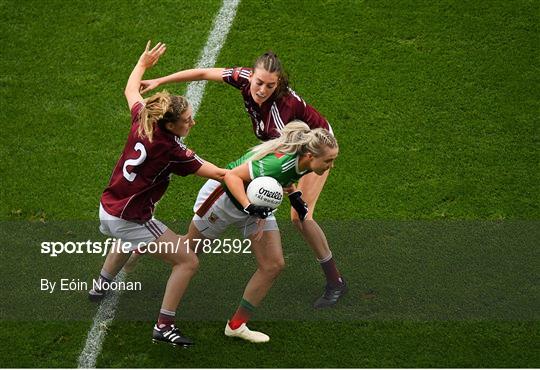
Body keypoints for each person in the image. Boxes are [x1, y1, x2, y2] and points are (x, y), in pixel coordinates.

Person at [140, 51, 347, 308]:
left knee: (301, 217)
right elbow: (204, 73)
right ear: (252, 75)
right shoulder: (244, 79)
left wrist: (286, 194)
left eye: (270, 86)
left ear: (279, 84)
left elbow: (286, 164)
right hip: (294, 148)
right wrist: (159, 81)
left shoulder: (282, 116)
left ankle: (335, 282)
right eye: (259, 82)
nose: (262, 90)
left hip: (317, 149)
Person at [88, 41, 227, 347]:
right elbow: (219, 174)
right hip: (129, 218)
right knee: (188, 260)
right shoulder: (171, 150)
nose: (193, 121)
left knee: (128, 239)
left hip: (109, 207)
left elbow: (130, 91)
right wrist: (258, 168)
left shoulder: (143, 118)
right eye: (188, 120)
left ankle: (100, 286)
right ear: (171, 124)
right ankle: (164, 326)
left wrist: (142, 64)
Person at [182, 121, 339, 343]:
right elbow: (231, 176)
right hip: (224, 200)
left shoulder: (303, 162)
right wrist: (249, 208)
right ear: (311, 156)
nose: (331, 166)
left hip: (257, 204)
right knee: (186, 253)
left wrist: (294, 196)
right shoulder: (279, 165)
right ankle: (141, 246)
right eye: (329, 161)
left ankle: (236, 325)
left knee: (273, 265)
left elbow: (284, 180)